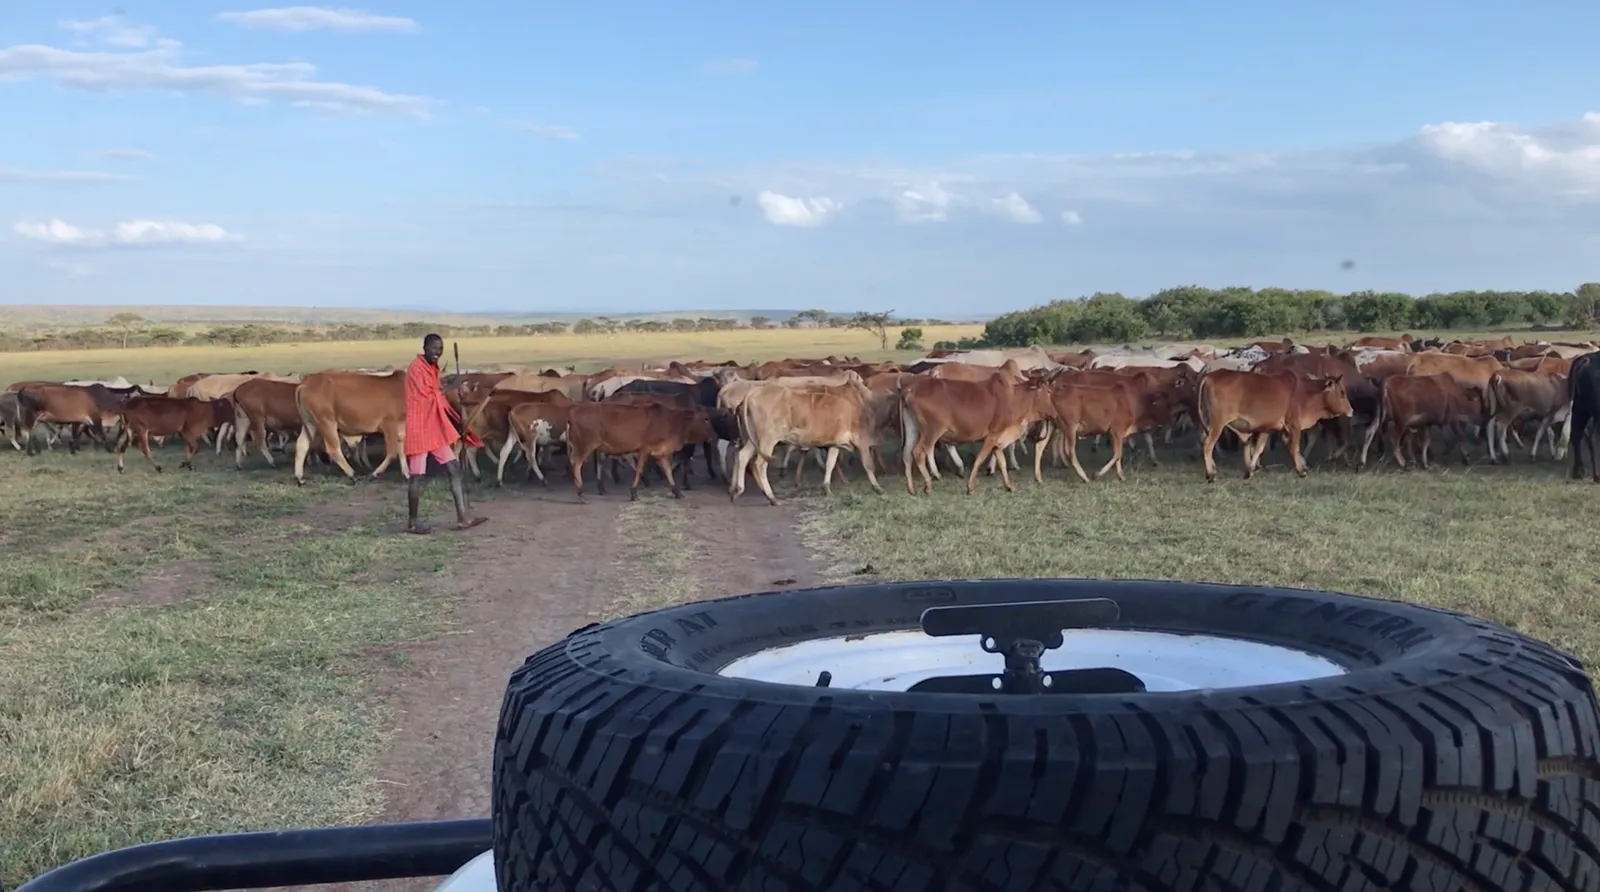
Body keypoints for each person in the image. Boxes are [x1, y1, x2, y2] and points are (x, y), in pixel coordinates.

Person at [403, 333, 488, 534]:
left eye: (440, 349)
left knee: (454, 467)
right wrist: (452, 386)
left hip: (433, 426)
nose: (437, 352)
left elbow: (434, 391)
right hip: (419, 428)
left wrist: (449, 386)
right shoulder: (416, 369)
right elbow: (428, 397)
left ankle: (463, 517)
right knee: (416, 476)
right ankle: (413, 522)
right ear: (424, 347)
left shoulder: (430, 368)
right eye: (434, 348)